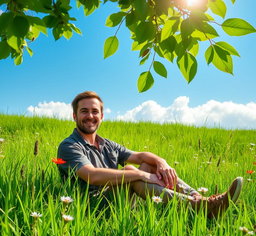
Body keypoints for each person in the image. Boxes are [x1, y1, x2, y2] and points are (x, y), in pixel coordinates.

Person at [57, 91, 243, 218]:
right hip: (91, 209)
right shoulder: (69, 145)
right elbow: (92, 175)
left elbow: (140, 157)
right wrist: (140, 174)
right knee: (131, 174)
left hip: (120, 203)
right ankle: (202, 209)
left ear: (102, 116)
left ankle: (197, 198)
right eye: (84, 111)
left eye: (94, 111)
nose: (90, 116)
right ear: (75, 116)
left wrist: (162, 162)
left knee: (147, 164)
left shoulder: (106, 144)